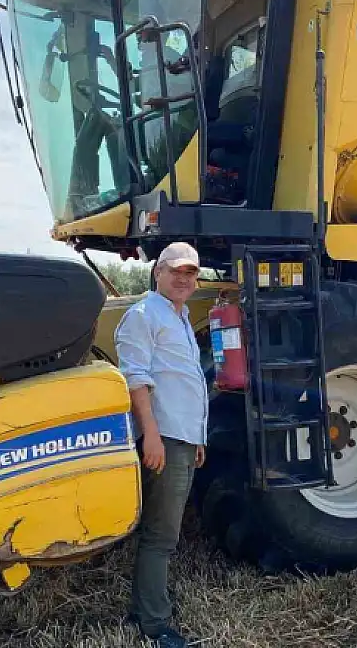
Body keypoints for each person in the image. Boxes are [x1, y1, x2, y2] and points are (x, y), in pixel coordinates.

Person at [114, 241, 208, 648]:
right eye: (176, 271)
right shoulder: (143, 315)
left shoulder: (179, 317)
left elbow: (184, 381)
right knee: (161, 535)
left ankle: (144, 608)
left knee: (162, 532)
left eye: (190, 273)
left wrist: (197, 438)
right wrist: (151, 435)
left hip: (182, 437)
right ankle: (154, 625)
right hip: (164, 437)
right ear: (158, 272)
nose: (183, 278)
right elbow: (136, 378)